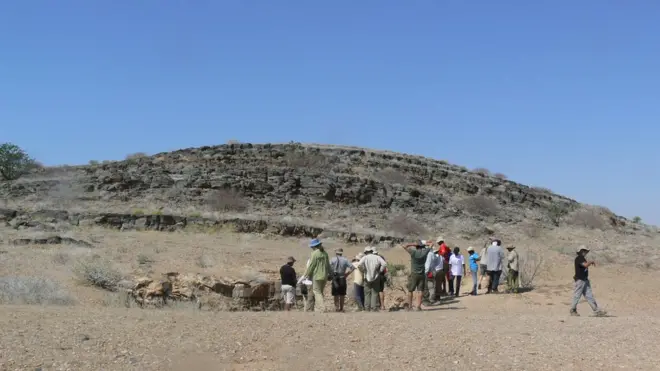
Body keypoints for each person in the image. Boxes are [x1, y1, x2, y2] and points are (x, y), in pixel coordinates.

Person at [570, 246, 607, 317]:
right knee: (577, 295)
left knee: (589, 295)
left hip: (584, 279)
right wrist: (591, 262)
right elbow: (585, 265)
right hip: (580, 280)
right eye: (585, 251)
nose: (586, 252)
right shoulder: (579, 258)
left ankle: (596, 310)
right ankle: (573, 310)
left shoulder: (582, 258)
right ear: (581, 251)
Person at [302, 238, 332, 313]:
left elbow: (311, 265)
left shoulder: (314, 253)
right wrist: (331, 274)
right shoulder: (325, 253)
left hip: (317, 276)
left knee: (316, 292)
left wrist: (306, 275)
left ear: (314, 246)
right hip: (324, 276)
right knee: (320, 292)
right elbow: (328, 265)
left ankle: (322, 308)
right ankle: (319, 308)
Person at [402, 240, 431, 310]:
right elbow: (431, 244)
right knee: (420, 290)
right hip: (422, 274)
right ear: (422, 247)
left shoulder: (413, 252)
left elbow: (404, 246)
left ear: (416, 246)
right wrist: (424, 244)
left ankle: (410, 306)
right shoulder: (425, 252)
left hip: (414, 274)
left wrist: (412, 244)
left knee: (410, 290)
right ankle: (418, 306)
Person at [358, 246, 387, 311]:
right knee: (374, 293)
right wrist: (380, 271)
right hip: (376, 277)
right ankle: (373, 308)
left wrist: (363, 270)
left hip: (367, 277)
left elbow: (359, 265)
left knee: (367, 294)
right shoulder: (377, 257)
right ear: (371, 251)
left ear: (365, 252)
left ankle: (367, 308)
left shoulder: (364, 257)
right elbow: (384, 264)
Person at [329, 248, 354, 312]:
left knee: (335, 294)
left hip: (335, 278)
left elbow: (328, 267)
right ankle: (341, 308)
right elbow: (352, 267)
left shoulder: (332, 259)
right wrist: (347, 274)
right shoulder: (345, 260)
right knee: (342, 294)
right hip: (342, 277)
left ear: (336, 253)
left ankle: (336, 308)